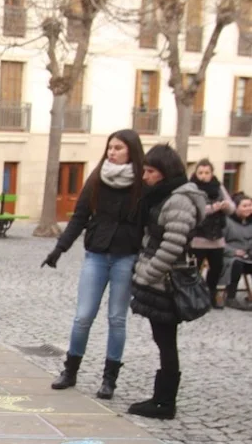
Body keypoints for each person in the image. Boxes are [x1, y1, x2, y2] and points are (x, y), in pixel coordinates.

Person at [42, 129, 146, 400]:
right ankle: (70, 371)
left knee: (117, 318)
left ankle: (109, 379)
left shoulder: (142, 183)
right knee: (83, 316)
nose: (112, 152)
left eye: (118, 148)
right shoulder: (98, 177)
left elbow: (151, 222)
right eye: (110, 147)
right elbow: (79, 217)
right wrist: (59, 249)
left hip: (126, 256)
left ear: (132, 151)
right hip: (97, 254)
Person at [128, 144, 206, 420]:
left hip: (166, 281)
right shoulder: (165, 196)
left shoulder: (179, 200)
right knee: (163, 339)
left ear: (165, 172)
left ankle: (165, 402)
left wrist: (148, 273)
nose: (145, 176)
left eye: (150, 171)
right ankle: (161, 398)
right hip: (159, 279)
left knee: (166, 340)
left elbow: (172, 244)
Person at [188, 159, 235, 309]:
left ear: (212, 173)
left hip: (217, 239)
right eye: (200, 172)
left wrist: (226, 206)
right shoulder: (192, 187)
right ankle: (194, 297)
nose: (204, 175)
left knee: (216, 270)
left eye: (207, 172)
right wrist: (214, 207)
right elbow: (194, 210)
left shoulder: (218, 186)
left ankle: (210, 296)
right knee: (194, 271)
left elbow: (232, 208)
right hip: (198, 238)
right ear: (196, 173)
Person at [223, 194, 252, 310]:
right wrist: (234, 251)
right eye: (245, 206)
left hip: (248, 256)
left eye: (250, 205)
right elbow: (219, 243)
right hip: (229, 256)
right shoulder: (227, 221)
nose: (248, 208)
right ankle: (230, 297)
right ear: (236, 207)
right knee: (237, 264)